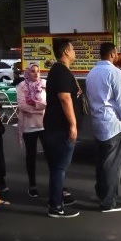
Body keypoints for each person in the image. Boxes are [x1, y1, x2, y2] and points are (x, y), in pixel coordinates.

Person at [85, 41, 121, 213]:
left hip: (98, 123)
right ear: (112, 54)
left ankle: (101, 194)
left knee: (102, 163)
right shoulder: (115, 72)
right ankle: (108, 202)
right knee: (114, 165)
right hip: (113, 124)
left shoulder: (91, 73)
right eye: (116, 53)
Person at [41, 38, 82, 218]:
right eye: (73, 49)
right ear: (66, 51)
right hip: (59, 127)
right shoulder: (61, 71)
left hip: (53, 125)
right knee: (59, 167)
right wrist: (73, 125)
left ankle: (57, 198)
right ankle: (56, 207)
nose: (75, 52)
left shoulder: (61, 70)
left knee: (56, 167)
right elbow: (65, 98)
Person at [16, 62, 47, 198]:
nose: (36, 73)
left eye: (38, 71)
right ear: (28, 72)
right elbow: (22, 105)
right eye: (33, 71)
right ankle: (32, 185)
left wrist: (36, 105)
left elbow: (48, 103)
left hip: (45, 124)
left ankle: (59, 184)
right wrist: (39, 107)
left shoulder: (44, 84)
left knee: (51, 154)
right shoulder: (22, 86)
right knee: (31, 156)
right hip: (29, 126)